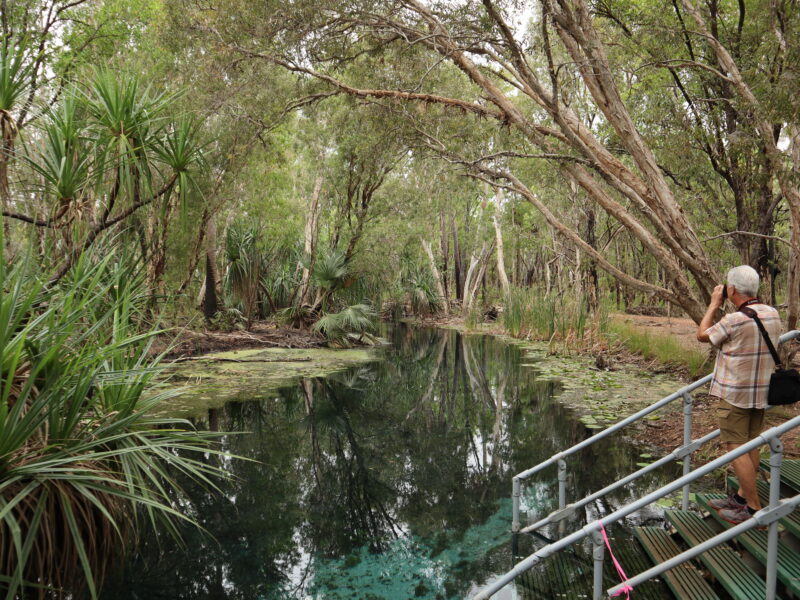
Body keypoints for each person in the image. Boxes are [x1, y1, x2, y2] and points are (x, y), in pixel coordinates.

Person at [696, 265, 782, 524]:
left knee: (735, 447)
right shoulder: (772, 313)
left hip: (735, 395)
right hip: (761, 392)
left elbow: (702, 335)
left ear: (731, 289)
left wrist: (713, 304)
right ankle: (743, 496)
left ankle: (754, 507)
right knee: (752, 442)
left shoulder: (734, 320)